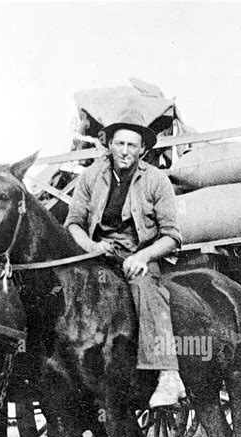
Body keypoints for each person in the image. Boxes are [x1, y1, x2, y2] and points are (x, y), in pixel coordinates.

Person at [65, 110, 186, 408]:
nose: (125, 151)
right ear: (109, 145)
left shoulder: (156, 180)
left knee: (146, 288)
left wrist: (143, 256)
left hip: (141, 256)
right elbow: (74, 223)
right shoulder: (92, 176)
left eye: (132, 146)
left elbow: (172, 236)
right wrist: (91, 247)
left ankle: (168, 375)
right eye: (120, 143)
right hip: (100, 255)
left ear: (142, 150)